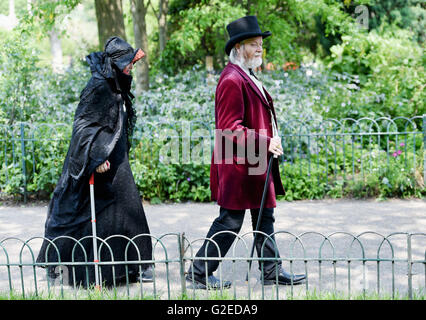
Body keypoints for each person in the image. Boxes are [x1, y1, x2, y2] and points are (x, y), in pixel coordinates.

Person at [186, 16, 306, 289]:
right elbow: (229, 128)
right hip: (238, 164)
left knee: (264, 215)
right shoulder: (231, 79)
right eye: (254, 44)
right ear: (238, 48)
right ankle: (198, 272)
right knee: (230, 220)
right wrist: (265, 142)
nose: (260, 49)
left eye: (261, 43)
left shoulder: (246, 74)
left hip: (253, 162)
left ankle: (271, 270)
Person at [36, 36, 153, 287]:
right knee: (73, 210)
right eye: (128, 62)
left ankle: (134, 266)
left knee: (126, 208)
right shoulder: (99, 86)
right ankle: (56, 263)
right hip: (94, 158)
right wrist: (96, 157)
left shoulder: (116, 84)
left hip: (116, 158)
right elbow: (83, 126)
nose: (131, 66)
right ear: (115, 63)